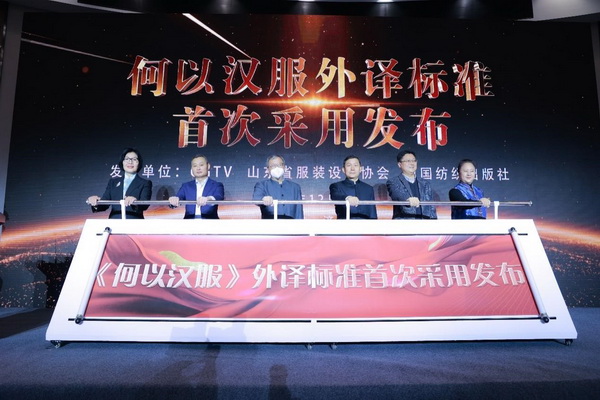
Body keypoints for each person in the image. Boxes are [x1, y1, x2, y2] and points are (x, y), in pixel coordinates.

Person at [87, 148, 152, 219]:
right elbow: (104, 204)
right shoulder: (113, 182)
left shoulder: (145, 183)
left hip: (134, 222)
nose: (130, 162)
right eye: (127, 159)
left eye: (134, 159)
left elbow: (144, 205)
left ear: (139, 163)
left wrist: (135, 202)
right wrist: (95, 202)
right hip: (115, 222)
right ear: (122, 162)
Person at [168, 155, 224, 219]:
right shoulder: (186, 186)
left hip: (210, 222)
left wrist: (208, 199)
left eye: (201, 165)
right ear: (192, 169)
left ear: (208, 166)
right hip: (189, 222)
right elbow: (179, 197)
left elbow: (218, 197)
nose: (198, 168)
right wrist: (174, 200)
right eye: (195, 166)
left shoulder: (217, 185)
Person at [386, 150, 437, 219]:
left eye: (414, 161)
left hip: (424, 222)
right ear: (399, 164)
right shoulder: (393, 182)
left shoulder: (425, 183)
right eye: (408, 161)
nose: (412, 163)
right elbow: (398, 196)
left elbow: (431, 207)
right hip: (405, 222)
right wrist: (408, 200)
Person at [253, 155, 303, 219]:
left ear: (284, 167)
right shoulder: (262, 185)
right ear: (268, 169)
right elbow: (256, 199)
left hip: (290, 224)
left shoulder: (295, 187)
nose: (277, 168)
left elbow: (299, 211)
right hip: (270, 223)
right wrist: (263, 199)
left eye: (279, 165)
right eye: (273, 166)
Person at [329, 155, 377, 219]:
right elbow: (335, 196)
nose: (352, 169)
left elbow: (372, 212)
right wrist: (347, 198)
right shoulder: (336, 186)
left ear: (360, 169)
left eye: (355, 165)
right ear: (343, 169)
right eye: (349, 165)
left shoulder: (368, 188)